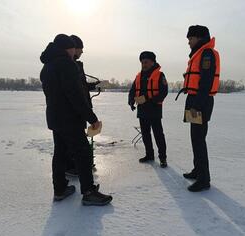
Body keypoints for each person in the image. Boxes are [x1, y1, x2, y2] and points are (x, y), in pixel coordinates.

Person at [40, 34, 112, 205]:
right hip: (70, 119)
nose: (76, 52)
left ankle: (60, 189)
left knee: (60, 153)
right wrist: (92, 118)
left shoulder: (47, 66)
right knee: (83, 153)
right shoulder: (66, 65)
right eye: (74, 49)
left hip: (55, 118)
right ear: (68, 48)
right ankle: (88, 192)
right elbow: (75, 95)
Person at [180, 25, 220, 192]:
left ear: (199, 37)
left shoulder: (207, 54)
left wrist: (196, 105)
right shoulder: (199, 53)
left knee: (199, 140)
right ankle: (198, 171)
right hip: (194, 99)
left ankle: (204, 179)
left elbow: (205, 82)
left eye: (190, 38)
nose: (188, 42)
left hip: (200, 102)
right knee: (195, 139)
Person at [64, 34, 100, 176]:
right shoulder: (69, 66)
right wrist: (90, 116)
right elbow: (74, 92)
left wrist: (93, 86)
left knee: (72, 143)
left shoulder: (76, 65)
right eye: (81, 48)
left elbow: (80, 86)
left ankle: (72, 166)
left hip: (78, 111)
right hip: (74, 112)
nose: (82, 52)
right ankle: (74, 168)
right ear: (74, 48)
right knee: (77, 145)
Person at [128, 51, 168, 168]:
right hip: (142, 110)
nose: (143, 65)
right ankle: (149, 155)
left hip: (155, 109)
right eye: (142, 63)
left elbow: (163, 92)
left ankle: (162, 158)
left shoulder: (160, 75)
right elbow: (133, 90)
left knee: (158, 134)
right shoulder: (139, 76)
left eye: (146, 62)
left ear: (152, 62)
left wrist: (148, 99)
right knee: (145, 134)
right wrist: (131, 101)